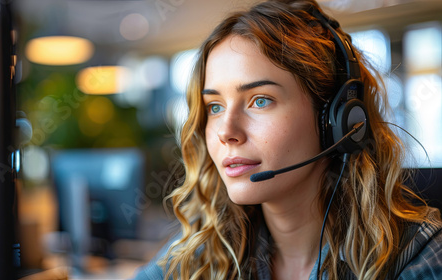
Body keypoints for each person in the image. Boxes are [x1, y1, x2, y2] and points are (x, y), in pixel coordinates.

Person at [132, 0, 442, 279]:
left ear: (337, 121)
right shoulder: (204, 247)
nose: (226, 131)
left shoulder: (416, 255)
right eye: (215, 106)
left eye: (260, 100)